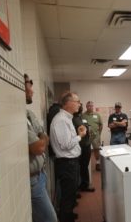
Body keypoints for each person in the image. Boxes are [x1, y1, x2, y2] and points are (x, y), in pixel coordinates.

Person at [24, 74, 57, 222]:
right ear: (21, 86)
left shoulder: (28, 114)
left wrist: (42, 138)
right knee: (50, 219)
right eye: (30, 86)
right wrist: (42, 138)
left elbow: (44, 137)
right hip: (32, 181)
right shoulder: (17, 117)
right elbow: (38, 147)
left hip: (41, 174)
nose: (32, 91)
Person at [50, 91, 86, 222]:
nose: (79, 104)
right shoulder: (61, 120)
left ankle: (69, 215)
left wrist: (77, 134)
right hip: (67, 163)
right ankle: (66, 218)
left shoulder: (67, 118)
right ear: (68, 103)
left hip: (71, 162)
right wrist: (80, 136)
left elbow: (67, 139)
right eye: (77, 101)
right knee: (67, 196)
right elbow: (66, 144)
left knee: (70, 194)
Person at [73, 104, 95, 192]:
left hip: (86, 145)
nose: (79, 106)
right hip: (79, 145)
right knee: (80, 167)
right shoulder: (72, 118)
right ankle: (79, 186)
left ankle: (84, 184)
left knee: (84, 166)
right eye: (78, 104)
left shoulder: (80, 117)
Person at [82, 101, 103, 171]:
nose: (90, 107)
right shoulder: (83, 115)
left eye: (91, 106)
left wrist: (99, 133)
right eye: (88, 106)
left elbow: (101, 125)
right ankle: (85, 164)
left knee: (96, 149)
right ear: (86, 107)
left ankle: (98, 163)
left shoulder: (97, 115)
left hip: (95, 136)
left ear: (93, 106)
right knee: (86, 150)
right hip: (86, 136)